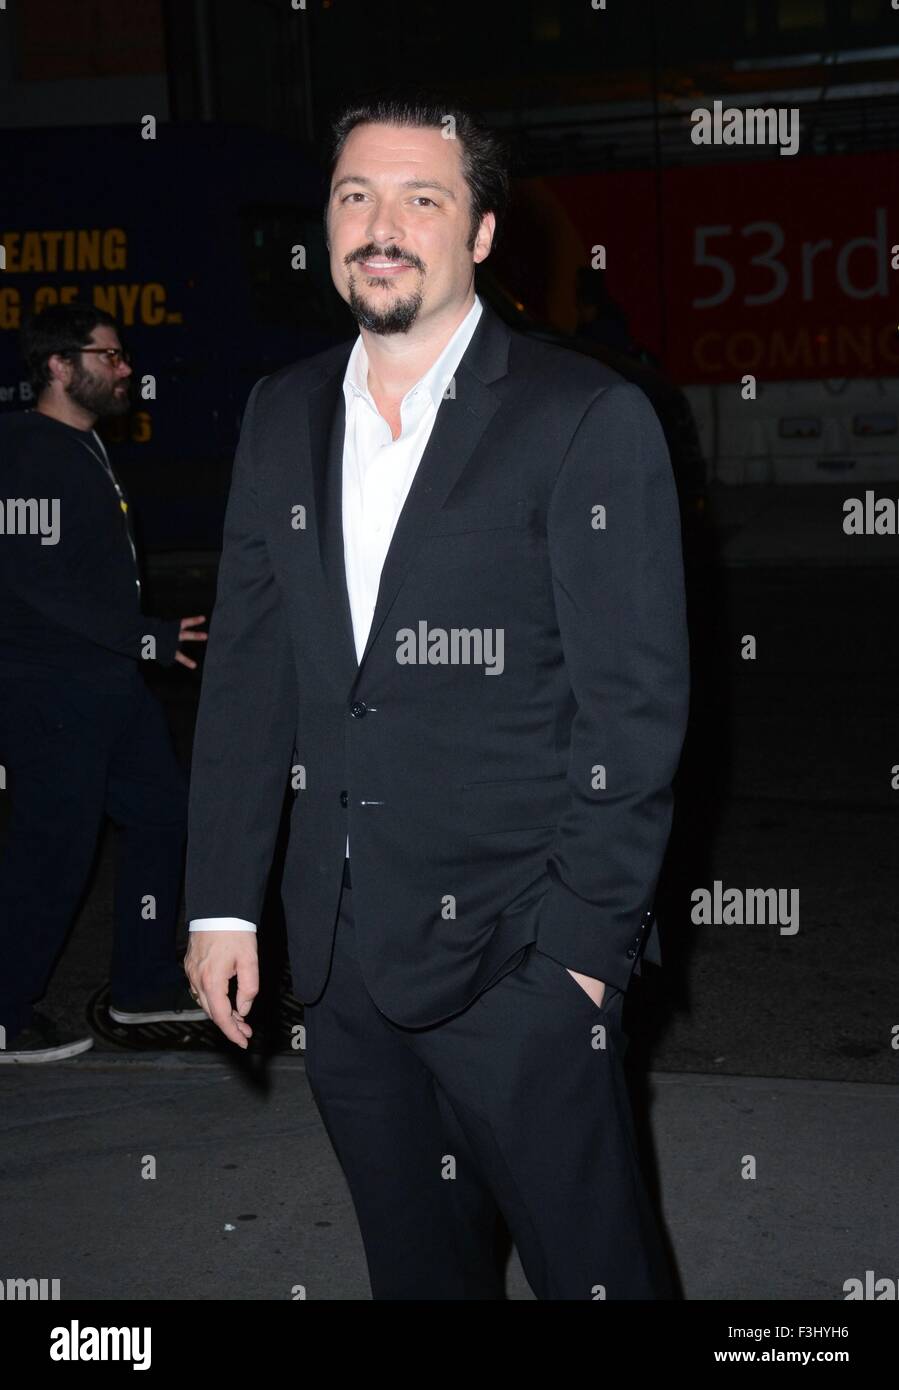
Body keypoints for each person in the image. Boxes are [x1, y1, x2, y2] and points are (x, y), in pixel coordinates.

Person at [185, 91, 690, 1300]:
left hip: (521, 956)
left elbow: (635, 713)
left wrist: (579, 953)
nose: (381, 225)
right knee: (417, 1273)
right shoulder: (282, 412)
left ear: (477, 234)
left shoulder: (584, 419)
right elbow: (254, 674)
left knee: (596, 1271)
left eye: (422, 198)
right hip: (342, 960)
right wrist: (221, 904)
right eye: (355, 195)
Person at [0, 304, 207, 1063]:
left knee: (162, 815)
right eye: (109, 356)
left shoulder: (78, 447)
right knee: (52, 850)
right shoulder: (25, 452)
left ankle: (144, 986)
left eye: (123, 357)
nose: (125, 370)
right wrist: (144, 635)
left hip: (107, 687)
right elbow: (30, 580)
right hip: (49, 689)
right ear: (59, 366)